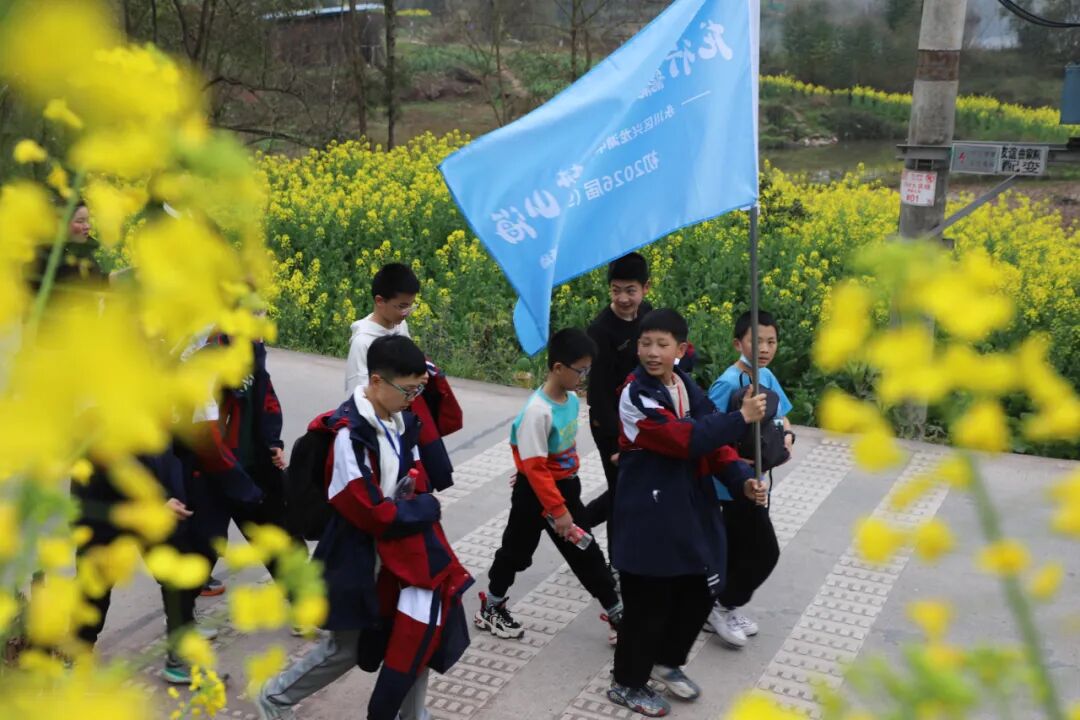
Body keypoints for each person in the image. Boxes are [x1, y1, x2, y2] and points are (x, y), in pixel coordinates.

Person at [257, 335, 472, 720]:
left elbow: (416, 474)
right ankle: (275, 698)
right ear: (376, 382)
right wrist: (422, 507)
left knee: (416, 634)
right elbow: (369, 510)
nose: (414, 397)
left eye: (419, 388)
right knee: (347, 648)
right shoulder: (348, 435)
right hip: (356, 557)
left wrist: (412, 500)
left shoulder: (402, 420)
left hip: (397, 554)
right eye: (408, 389)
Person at [608, 309, 767, 717]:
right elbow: (685, 439)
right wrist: (740, 418)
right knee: (647, 602)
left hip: (688, 506)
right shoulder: (635, 395)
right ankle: (627, 682)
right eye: (646, 344)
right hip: (649, 513)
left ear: (680, 350)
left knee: (699, 587)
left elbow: (711, 437)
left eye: (662, 345)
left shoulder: (683, 385)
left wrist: (740, 479)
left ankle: (666, 660)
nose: (652, 353)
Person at [475, 329, 623, 645]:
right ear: (558, 368)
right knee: (516, 552)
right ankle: (492, 604)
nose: (584, 376)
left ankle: (616, 611)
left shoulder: (570, 399)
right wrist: (558, 511)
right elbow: (534, 463)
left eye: (588, 369)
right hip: (538, 496)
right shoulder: (537, 411)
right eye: (580, 370)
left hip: (564, 489)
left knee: (587, 553)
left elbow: (540, 454)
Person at [703, 310, 791, 648]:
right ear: (738, 343)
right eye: (758, 341)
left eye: (772, 341)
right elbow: (707, 427)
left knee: (742, 551)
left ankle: (723, 605)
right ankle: (721, 606)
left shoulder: (766, 376)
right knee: (764, 552)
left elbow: (782, 417)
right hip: (730, 486)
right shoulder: (728, 382)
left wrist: (788, 438)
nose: (765, 348)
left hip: (759, 480)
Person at [582, 253, 652, 542]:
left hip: (642, 419)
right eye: (616, 290)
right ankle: (617, 565)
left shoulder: (647, 313)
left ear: (645, 288)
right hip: (610, 424)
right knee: (623, 492)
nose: (623, 298)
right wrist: (615, 443)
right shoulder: (600, 331)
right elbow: (596, 396)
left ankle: (576, 526)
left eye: (630, 290)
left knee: (628, 490)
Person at [345, 263, 419, 395]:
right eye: (402, 307)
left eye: (410, 306)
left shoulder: (401, 325)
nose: (407, 313)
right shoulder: (362, 342)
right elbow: (356, 394)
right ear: (380, 301)